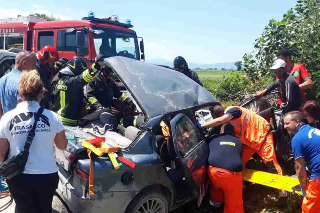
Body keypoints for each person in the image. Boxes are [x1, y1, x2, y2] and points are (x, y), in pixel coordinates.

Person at [0, 70, 68, 213]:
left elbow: (1, 153)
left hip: (18, 177)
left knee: (22, 209)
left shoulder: (7, 118)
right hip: (47, 176)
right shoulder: (53, 117)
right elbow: (62, 145)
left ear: (21, 93)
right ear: (41, 93)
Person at [201, 105, 283, 176]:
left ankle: (282, 190)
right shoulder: (228, 121)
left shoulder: (233, 110)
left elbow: (220, 120)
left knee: (271, 164)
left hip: (263, 137)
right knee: (239, 163)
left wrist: (201, 126)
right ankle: (240, 184)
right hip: (250, 143)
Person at [283, 111, 320, 213]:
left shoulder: (297, 139)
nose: (285, 127)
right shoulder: (313, 130)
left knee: (309, 208)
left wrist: (304, 188)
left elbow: (299, 168)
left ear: (297, 122)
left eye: (287, 123)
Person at [53, 55, 105, 126]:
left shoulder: (59, 79)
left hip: (56, 119)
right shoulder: (72, 82)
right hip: (68, 122)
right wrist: (96, 66)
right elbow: (83, 78)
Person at [207, 123, 243, 213]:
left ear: (221, 131)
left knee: (216, 188)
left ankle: (215, 205)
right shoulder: (238, 142)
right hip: (230, 176)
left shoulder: (213, 139)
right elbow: (239, 157)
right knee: (234, 203)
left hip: (213, 172)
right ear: (233, 132)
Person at [0, 51, 37, 119]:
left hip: (7, 124)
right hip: (22, 125)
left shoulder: (2, 79)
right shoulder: (24, 81)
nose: (35, 68)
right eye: (34, 64)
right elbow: (25, 108)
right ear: (24, 63)